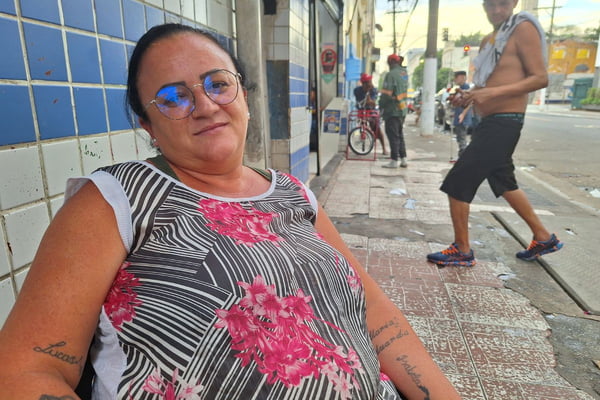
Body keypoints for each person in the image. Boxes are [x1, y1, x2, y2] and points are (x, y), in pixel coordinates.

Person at [0, 23, 461, 400]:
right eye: (173, 98)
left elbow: (378, 320)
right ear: (149, 125)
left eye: (217, 84)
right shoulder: (115, 199)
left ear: (242, 95)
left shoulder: (294, 194)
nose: (203, 105)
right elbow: (26, 369)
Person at [427, 0, 563, 267]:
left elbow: (540, 78)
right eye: (490, 5)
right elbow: (487, 83)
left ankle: (462, 250)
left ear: (513, 2)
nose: (496, 10)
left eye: (502, 4)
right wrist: (469, 97)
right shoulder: (491, 39)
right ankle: (543, 237)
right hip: (488, 120)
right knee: (503, 181)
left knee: (458, 182)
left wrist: (488, 93)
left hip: (506, 120)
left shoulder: (522, 28)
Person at [379, 54, 409, 168]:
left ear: (390, 62)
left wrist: (381, 105)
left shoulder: (391, 74)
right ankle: (403, 158)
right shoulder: (404, 74)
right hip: (402, 109)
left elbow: (387, 94)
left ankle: (394, 160)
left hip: (392, 110)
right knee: (400, 134)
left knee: (393, 135)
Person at [353, 73, 387, 155]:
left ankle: (384, 148)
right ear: (364, 83)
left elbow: (372, 103)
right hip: (362, 111)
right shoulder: (357, 90)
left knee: (377, 129)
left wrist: (368, 92)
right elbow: (361, 102)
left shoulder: (373, 90)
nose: (370, 83)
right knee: (362, 125)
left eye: (370, 81)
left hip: (371, 111)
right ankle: (363, 140)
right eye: (368, 82)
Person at [448, 71, 473, 159]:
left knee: (462, 140)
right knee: (460, 139)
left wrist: (462, 114)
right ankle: (462, 158)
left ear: (462, 77)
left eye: (456, 78)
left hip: (462, 118)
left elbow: (469, 102)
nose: (455, 80)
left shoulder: (466, 88)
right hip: (459, 117)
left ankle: (463, 159)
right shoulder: (460, 89)